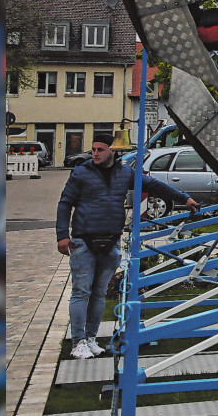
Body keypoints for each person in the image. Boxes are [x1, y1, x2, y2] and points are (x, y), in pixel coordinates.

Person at [56, 134, 133, 360]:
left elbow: (151, 185)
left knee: (99, 294)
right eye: (93, 149)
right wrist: (62, 235)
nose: (95, 153)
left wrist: (185, 199)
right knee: (81, 291)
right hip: (83, 240)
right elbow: (65, 203)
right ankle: (78, 341)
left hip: (111, 240)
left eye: (100, 149)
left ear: (113, 151)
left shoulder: (125, 172)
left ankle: (91, 338)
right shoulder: (81, 172)